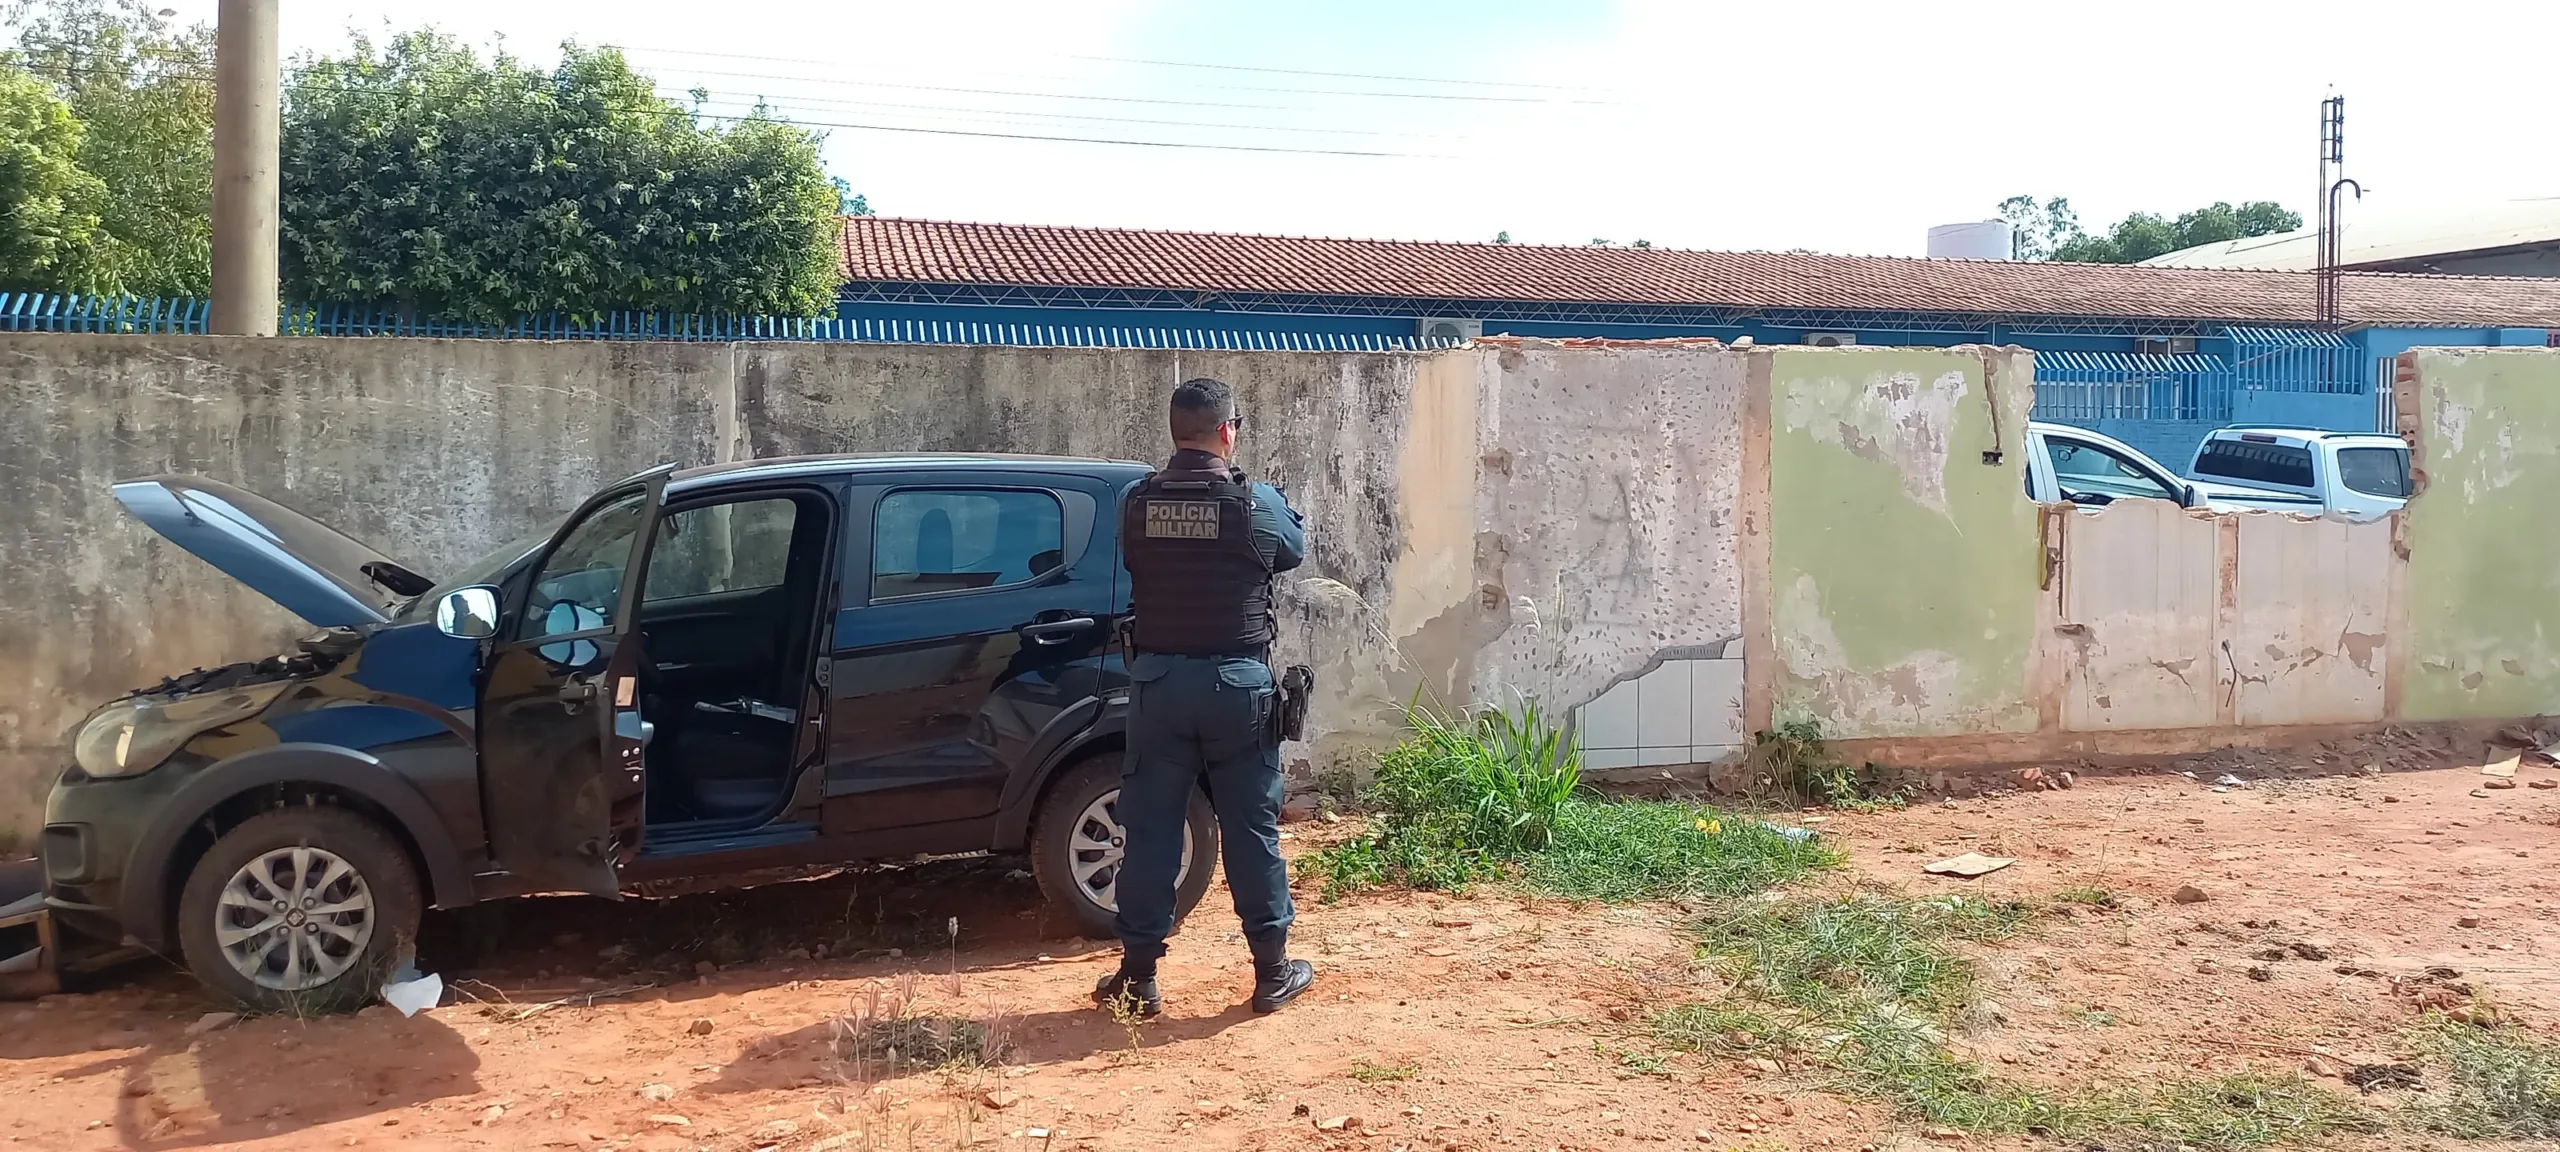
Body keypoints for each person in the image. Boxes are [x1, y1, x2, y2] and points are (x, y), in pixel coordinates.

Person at [1096, 376, 1315, 1017]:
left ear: (1174, 430)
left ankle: (1139, 979)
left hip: (1159, 688)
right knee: (1251, 830)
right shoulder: (1256, 504)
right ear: (1228, 431)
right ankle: (1272, 973)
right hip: (1236, 691)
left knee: (1152, 831)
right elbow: (1291, 553)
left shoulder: (1136, 503)